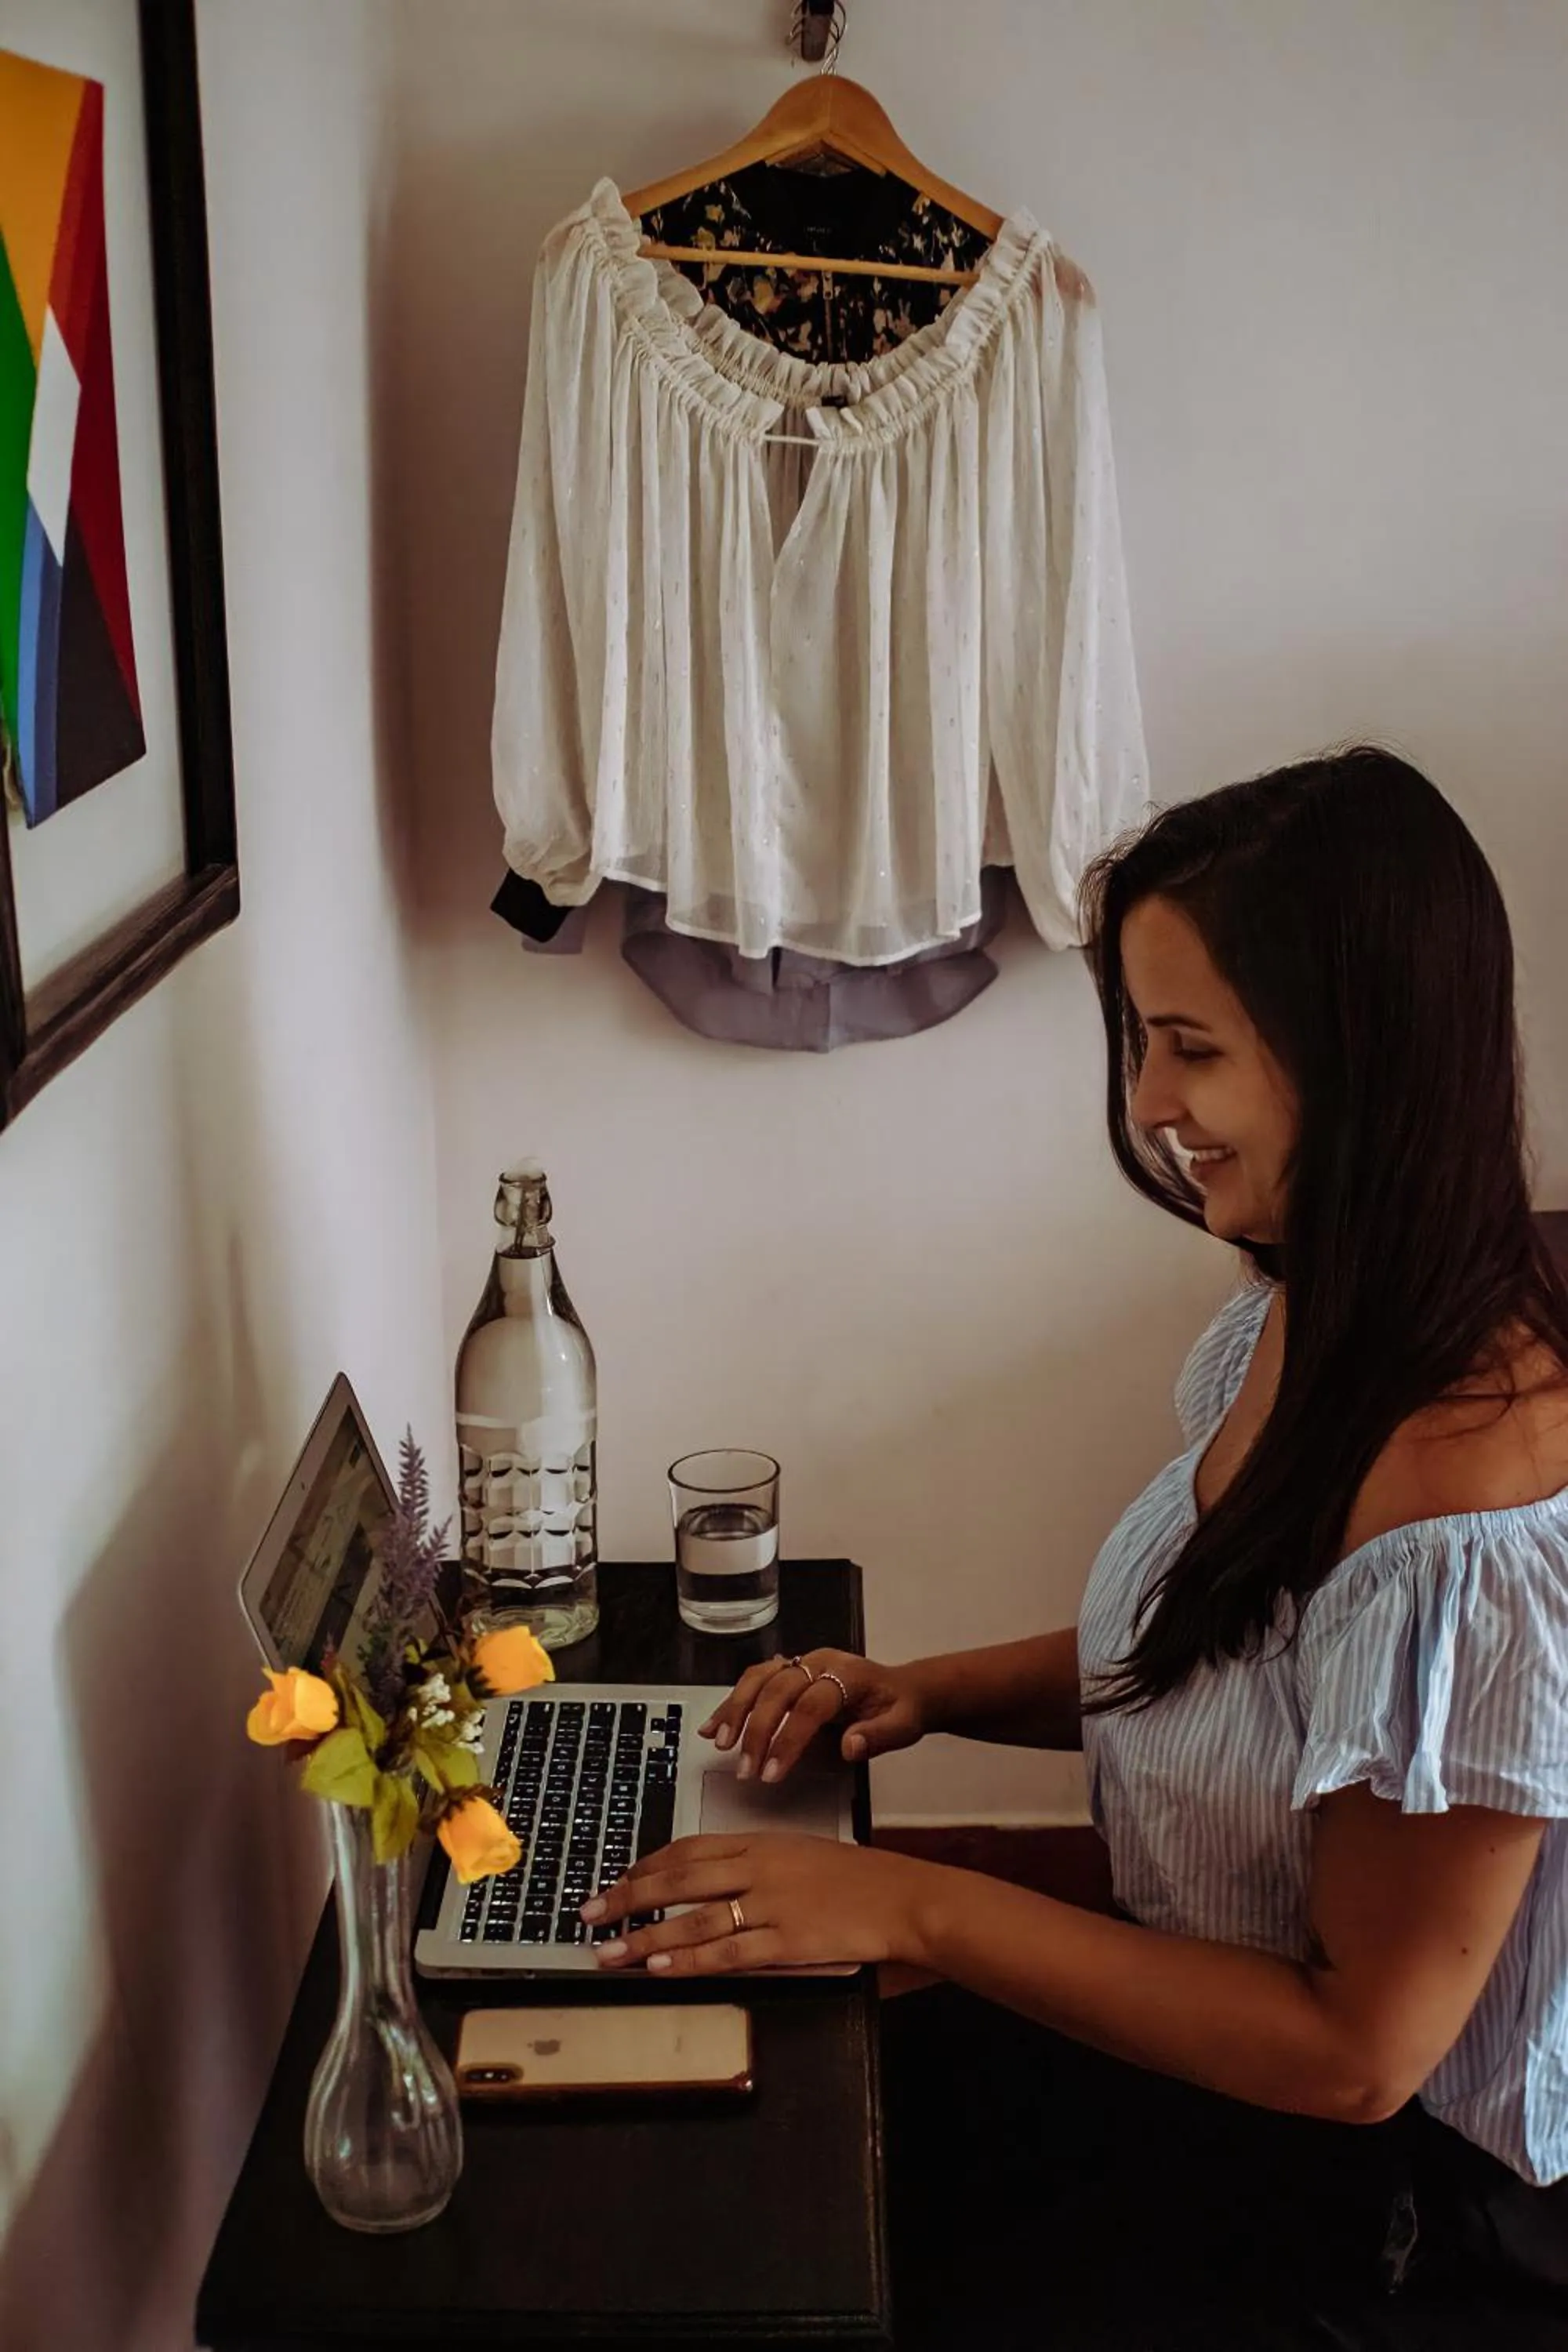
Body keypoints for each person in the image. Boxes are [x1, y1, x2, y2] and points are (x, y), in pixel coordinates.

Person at [581, 748, 1568, 2347]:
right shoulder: (1315, 1304)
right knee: (741, 2113)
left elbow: (1354, 2054)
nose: (1150, 1105)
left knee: (789, 2205)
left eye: (1191, 1049)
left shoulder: (1462, 1512)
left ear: (1362, 1061)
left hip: (1376, 2211)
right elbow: (1228, 1650)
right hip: (1214, 2060)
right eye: (1141, 1041)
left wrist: (919, 1908)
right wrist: (925, 1689)